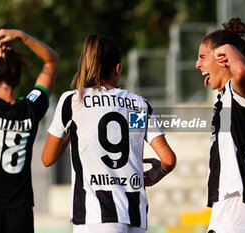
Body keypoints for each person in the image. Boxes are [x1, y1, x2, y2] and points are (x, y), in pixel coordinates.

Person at [41, 34, 176, 233]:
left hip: (95, 216)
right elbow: (169, 159)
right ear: (118, 69)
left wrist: (72, 129)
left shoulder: (74, 100)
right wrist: (160, 170)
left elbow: (47, 158)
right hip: (135, 217)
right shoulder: (138, 104)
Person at [195, 18, 245, 233]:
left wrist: (228, 48)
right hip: (232, 207)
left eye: (202, 57)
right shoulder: (228, 97)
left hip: (239, 204)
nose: (197, 64)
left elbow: (242, 72)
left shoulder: (239, 92)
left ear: (223, 59)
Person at [0, 29, 59, 233]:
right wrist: (21, 35)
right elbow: (51, 61)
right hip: (20, 211)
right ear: (18, 78)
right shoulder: (31, 108)